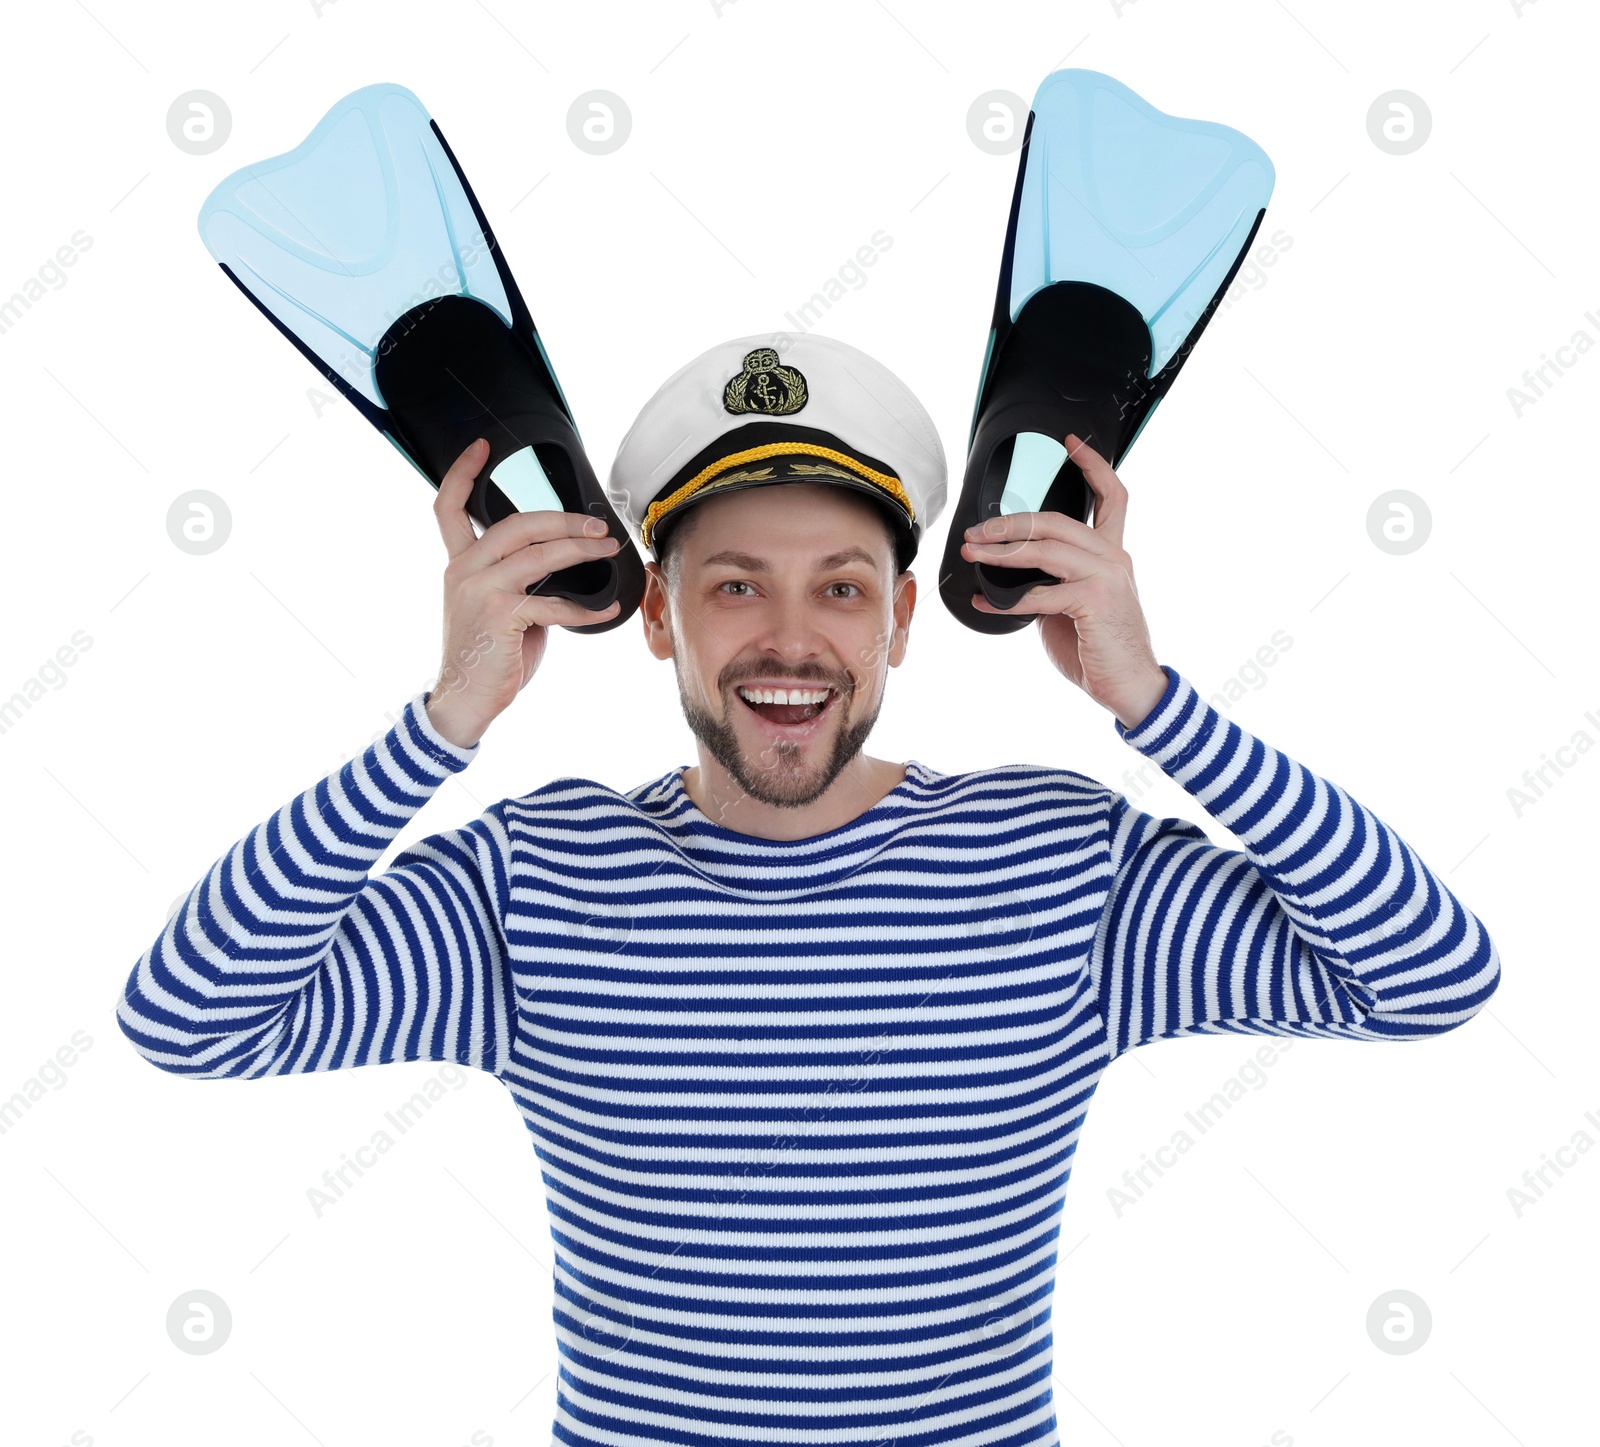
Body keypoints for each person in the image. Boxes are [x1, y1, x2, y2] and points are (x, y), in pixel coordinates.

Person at [117, 332, 1500, 1447]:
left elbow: (1432, 979)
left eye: (843, 589)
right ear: (656, 614)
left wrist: (1154, 704)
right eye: (733, 585)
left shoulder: (1062, 866)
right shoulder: (534, 881)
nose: (791, 638)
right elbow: (190, 1018)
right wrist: (442, 724)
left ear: (903, 617)